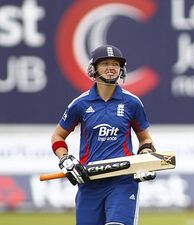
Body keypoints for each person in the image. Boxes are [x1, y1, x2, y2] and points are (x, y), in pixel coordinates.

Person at [51, 44, 156, 225]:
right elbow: (57, 137)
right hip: (89, 182)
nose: (111, 68)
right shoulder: (80, 104)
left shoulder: (132, 103)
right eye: (105, 63)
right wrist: (66, 159)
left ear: (121, 69)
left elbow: (145, 139)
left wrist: (145, 158)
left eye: (115, 64)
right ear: (93, 69)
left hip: (122, 181)